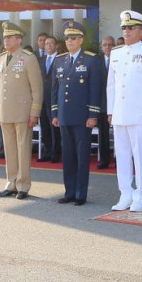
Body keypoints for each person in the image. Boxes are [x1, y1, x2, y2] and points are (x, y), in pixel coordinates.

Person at [107, 10, 142, 212]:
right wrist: (110, 110)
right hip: (120, 113)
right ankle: (125, 194)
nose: (127, 31)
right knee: (121, 156)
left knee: (141, 157)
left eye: (131, 28)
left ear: (141, 31)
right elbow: (111, 85)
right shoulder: (116, 52)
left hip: (140, 115)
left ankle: (140, 196)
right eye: (124, 28)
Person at [49, 20, 104, 205]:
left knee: (81, 156)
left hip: (82, 117)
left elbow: (95, 90)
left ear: (81, 40)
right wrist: (55, 114)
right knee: (68, 156)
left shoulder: (91, 60)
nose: (69, 41)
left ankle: (81, 194)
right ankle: (69, 191)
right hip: (64, 116)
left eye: (73, 38)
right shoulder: (59, 60)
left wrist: (93, 115)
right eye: (67, 38)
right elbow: (55, 90)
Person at [0, 21, 42, 200]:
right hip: (6, 110)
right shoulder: (1, 58)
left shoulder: (28, 58)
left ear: (19, 39)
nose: (6, 40)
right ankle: (11, 182)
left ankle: (23, 184)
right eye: (5, 37)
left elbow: (36, 89)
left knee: (23, 149)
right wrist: (0, 110)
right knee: (9, 149)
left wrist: (34, 112)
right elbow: (0, 88)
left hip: (23, 111)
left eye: (10, 37)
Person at [38, 35, 62, 162]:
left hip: (54, 99)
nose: (48, 45)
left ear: (56, 45)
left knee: (54, 128)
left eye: (51, 43)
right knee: (45, 127)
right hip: (42, 99)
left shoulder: (61, 59)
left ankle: (55, 153)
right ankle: (47, 152)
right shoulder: (40, 60)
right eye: (46, 43)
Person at [97, 35, 116, 169]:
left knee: (121, 134)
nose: (108, 47)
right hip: (102, 103)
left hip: (118, 102)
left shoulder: (119, 59)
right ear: (101, 47)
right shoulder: (96, 61)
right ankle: (104, 160)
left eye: (110, 45)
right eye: (105, 45)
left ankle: (120, 160)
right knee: (103, 134)